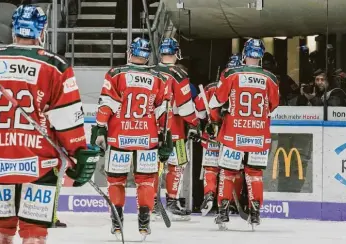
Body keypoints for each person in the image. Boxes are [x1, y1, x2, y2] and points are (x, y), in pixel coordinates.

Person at [0, 5, 99, 244]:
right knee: (34, 235)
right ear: (42, 31)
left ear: (13, 29)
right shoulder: (56, 66)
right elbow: (68, 119)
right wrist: (77, 152)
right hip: (41, 164)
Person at [91, 37, 173, 238]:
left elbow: (106, 105)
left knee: (116, 180)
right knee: (145, 180)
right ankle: (144, 223)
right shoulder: (160, 78)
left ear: (130, 52)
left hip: (119, 137)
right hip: (147, 138)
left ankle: (117, 223)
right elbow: (164, 112)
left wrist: (99, 129)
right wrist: (166, 136)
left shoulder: (115, 74)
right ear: (147, 57)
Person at [209, 38, 279, 228]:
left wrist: (220, 111)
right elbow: (273, 106)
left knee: (228, 173)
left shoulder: (231, 73)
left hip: (234, 133)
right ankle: (255, 213)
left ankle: (223, 213)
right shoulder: (270, 78)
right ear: (262, 56)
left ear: (244, 54)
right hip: (258, 135)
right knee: (255, 174)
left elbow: (216, 100)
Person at [151, 37, 199, 221]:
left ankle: (152, 201)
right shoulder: (179, 73)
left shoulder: (151, 71)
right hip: (175, 128)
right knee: (178, 164)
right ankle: (171, 200)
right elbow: (185, 106)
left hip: (152, 128)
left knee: (153, 166)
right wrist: (194, 123)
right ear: (176, 53)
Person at [194, 54, 244, 216]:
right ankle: (227, 203)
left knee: (211, 168)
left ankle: (209, 193)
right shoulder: (244, 86)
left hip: (212, 134)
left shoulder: (210, 87)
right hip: (234, 135)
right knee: (233, 171)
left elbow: (199, 113)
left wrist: (207, 121)